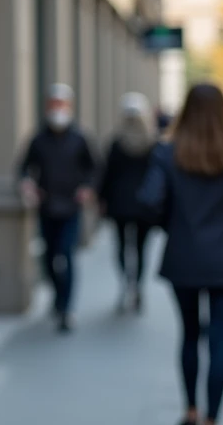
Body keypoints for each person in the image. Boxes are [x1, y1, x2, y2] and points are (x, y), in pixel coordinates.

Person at [139, 83, 223, 425]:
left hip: (185, 255)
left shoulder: (168, 153)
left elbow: (149, 201)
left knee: (189, 335)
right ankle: (213, 424)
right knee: (219, 341)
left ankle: (190, 412)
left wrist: (175, 225)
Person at [18, 83, 98, 333]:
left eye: (61, 105)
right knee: (51, 256)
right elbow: (23, 168)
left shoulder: (79, 138)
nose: (57, 109)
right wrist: (28, 185)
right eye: (53, 104)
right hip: (46, 206)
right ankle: (57, 294)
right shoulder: (38, 139)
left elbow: (94, 168)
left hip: (71, 207)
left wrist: (87, 187)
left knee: (66, 254)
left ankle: (66, 307)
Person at [98, 92, 159, 314]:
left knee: (124, 247)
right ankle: (135, 285)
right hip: (143, 206)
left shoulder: (117, 143)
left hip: (121, 204)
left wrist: (102, 200)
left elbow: (106, 175)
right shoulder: (152, 143)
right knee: (140, 249)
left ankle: (128, 283)